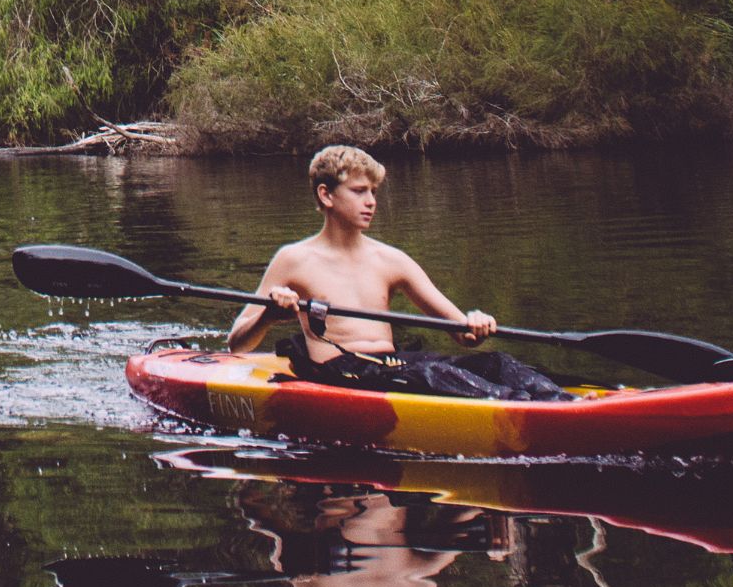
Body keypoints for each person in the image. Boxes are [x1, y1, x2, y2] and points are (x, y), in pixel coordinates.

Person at [226, 144, 570, 402]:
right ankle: (534, 413)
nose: (371, 201)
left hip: (393, 366)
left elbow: (463, 334)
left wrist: (477, 323)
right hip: (341, 374)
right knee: (433, 374)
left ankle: (565, 404)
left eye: (373, 192)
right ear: (326, 195)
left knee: (498, 364)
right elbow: (237, 343)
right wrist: (268, 317)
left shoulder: (391, 260)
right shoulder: (293, 259)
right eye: (359, 191)